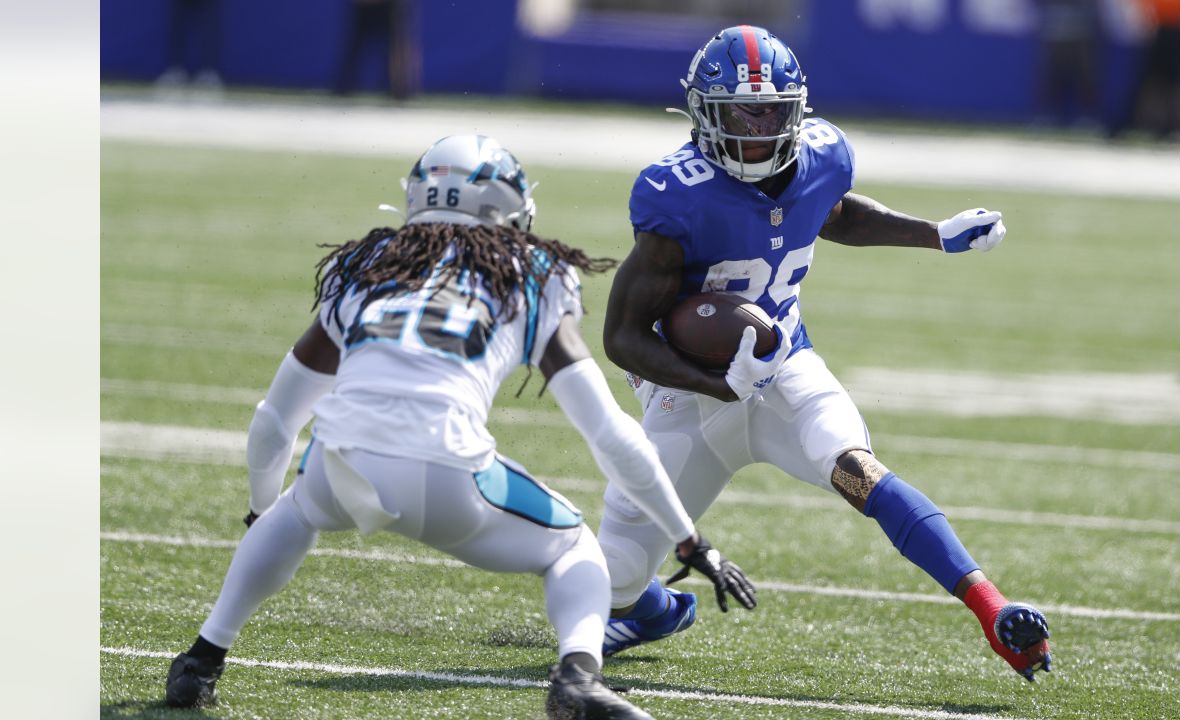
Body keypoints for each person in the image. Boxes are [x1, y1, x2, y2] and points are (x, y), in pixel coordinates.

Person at [163, 134, 757, 718]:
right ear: (508, 210)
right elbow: (608, 432)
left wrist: (260, 507)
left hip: (339, 463)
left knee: (293, 510)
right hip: (447, 471)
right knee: (575, 546)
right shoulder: (527, 273)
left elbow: (274, 422)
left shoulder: (365, 264)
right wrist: (689, 538)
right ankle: (578, 678)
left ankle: (202, 658)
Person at [595, 25, 1053, 682]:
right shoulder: (678, 196)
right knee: (609, 575)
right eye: (741, 114)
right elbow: (623, 339)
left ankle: (992, 607)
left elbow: (833, 214)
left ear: (798, 109)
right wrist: (720, 383)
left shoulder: (823, 155)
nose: (759, 129)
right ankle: (651, 608)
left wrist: (935, 236)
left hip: (786, 367)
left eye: (773, 112)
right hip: (688, 395)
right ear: (704, 113)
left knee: (857, 469)